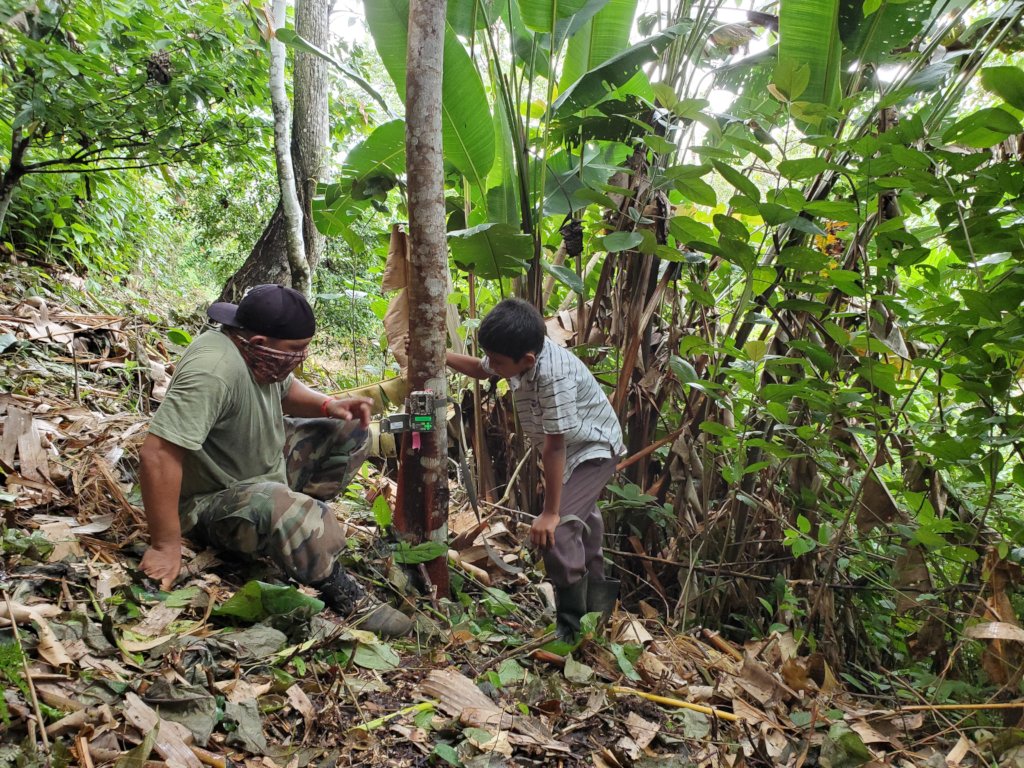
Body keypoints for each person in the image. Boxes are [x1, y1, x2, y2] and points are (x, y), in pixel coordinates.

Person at [138, 284, 413, 637]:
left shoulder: (262, 359)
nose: (301, 357)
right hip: (210, 500)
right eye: (296, 350)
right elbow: (158, 454)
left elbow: (289, 391)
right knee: (292, 510)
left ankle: (298, 537)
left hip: (263, 472)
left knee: (351, 432)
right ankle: (341, 590)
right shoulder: (213, 371)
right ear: (258, 343)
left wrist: (330, 406)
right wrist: (165, 544)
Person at [446, 298, 625, 640]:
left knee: (559, 532)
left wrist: (550, 512)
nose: (493, 365)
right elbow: (480, 368)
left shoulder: (552, 377)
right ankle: (598, 620)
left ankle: (573, 631)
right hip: (571, 449)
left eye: (499, 361)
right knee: (584, 525)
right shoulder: (515, 354)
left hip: (592, 450)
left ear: (526, 360)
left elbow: (555, 446)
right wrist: (440, 357)